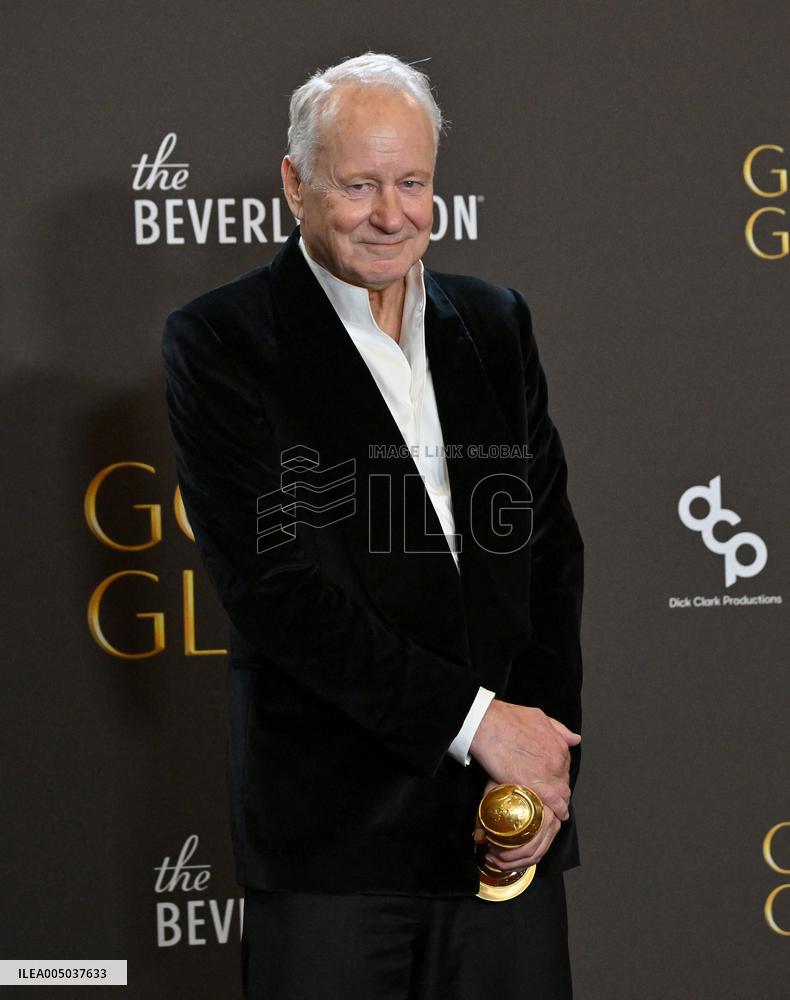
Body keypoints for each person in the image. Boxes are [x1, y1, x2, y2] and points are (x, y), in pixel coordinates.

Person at [162, 52, 584, 1000]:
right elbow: (279, 595)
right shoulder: (224, 341)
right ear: (294, 184)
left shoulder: (496, 321)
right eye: (358, 185)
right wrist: (481, 726)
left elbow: (551, 555)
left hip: (505, 839)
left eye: (412, 183)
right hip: (334, 854)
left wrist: (540, 767)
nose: (391, 215)